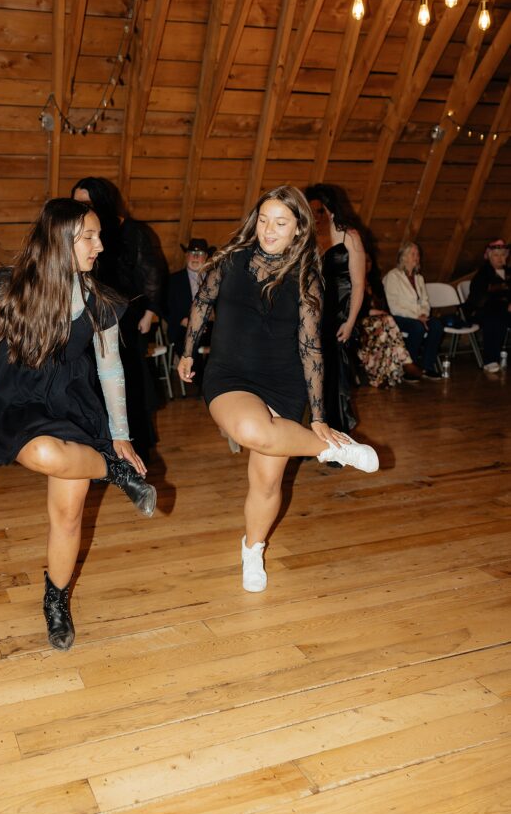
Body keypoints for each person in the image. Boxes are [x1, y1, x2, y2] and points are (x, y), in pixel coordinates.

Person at [0, 199, 156, 652]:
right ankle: (113, 470)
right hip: (19, 401)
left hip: (75, 404)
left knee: (68, 515)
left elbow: (111, 371)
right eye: (89, 237)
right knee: (42, 452)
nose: (99, 245)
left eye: (98, 236)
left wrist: (121, 434)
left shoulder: (99, 301)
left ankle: (56, 600)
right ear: (60, 240)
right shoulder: (10, 288)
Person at [177, 186, 379, 595]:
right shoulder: (232, 260)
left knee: (268, 481)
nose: (268, 230)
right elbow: (202, 301)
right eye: (264, 220)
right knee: (252, 431)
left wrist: (319, 415)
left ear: (299, 229)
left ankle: (253, 548)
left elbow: (309, 347)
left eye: (280, 223)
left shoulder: (306, 277)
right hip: (229, 374)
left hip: (284, 381)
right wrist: (187, 353)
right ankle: (333, 450)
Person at [71, 176, 167, 463]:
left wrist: (150, 312)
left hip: (126, 317)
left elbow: (152, 273)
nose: (80, 207)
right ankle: (98, 452)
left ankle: (133, 451)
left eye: (86, 203)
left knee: (128, 382)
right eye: (76, 203)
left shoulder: (131, 230)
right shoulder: (75, 234)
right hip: (90, 316)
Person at [305, 184, 365, 434]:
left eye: (317, 208)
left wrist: (350, 322)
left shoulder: (350, 235)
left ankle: (336, 440)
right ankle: (313, 439)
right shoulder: (310, 238)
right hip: (316, 317)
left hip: (340, 316)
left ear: (328, 208)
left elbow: (359, 283)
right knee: (313, 380)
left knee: (332, 381)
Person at [357, 256, 421, 388]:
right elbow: (351, 307)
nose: (367, 264)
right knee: (388, 322)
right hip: (360, 320)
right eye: (364, 261)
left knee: (386, 334)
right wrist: (371, 312)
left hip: (381, 321)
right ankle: (405, 361)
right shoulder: (353, 281)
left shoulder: (375, 283)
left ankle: (380, 377)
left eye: (369, 261)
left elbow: (385, 306)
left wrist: (380, 313)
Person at [383, 242, 444, 380]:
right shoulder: (393, 276)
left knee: (436, 325)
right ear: (403, 257)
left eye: (418, 254)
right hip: (399, 317)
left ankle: (427, 366)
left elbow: (425, 301)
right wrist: (417, 317)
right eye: (413, 254)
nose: (417, 257)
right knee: (417, 328)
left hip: (419, 316)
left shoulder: (419, 278)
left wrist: (424, 314)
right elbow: (394, 306)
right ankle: (409, 367)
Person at [166, 237, 213, 384]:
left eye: (199, 254)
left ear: (206, 257)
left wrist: (212, 319)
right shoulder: (173, 280)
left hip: (211, 327)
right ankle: (199, 380)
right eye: (192, 253)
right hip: (183, 328)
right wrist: (183, 320)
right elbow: (166, 307)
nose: (195, 257)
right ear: (186, 256)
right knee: (187, 342)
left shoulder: (214, 279)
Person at [463, 238, 510, 372]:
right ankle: (490, 360)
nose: (500, 258)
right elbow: (479, 298)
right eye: (496, 255)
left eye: (502, 255)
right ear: (489, 257)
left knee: (501, 316)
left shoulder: (509, 273)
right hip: (482, 311)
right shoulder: (482, 274)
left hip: (505, 311)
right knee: (495, 318)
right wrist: (504, 305)